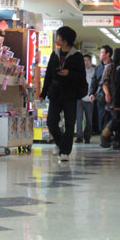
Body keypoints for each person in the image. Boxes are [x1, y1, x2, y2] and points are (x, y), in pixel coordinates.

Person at [40, 26, 87, 161]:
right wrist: (43, 93)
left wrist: (69, 73)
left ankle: (65, 152)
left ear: (65, 40)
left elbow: (81, 76)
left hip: (70, 94)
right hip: (55, 93)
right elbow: (48, 74)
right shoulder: (54, 54)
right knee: (51, 122)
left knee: (70, 123)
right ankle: (60, 144)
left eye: (59, 36)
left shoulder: (77, 56)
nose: (57, 39)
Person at [99, 48, 120, 148]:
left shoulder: (116, 67)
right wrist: (107, 94)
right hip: (112, 98)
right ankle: (105, 136)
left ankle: (110, 139)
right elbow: (104, 82)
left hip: (114, 98)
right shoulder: (110, 66)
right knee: (115, 118)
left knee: (113, 118)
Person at [89, 45, 113, 133]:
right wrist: (91, 93)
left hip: (112, 97)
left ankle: (110, 134)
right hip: (101, 97)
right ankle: (104, 134)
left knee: (112, 116)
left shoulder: (114, 66)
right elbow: (94, 80)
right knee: (101, 116)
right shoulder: (99, 68)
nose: (100, 54)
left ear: (108, 54)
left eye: (102, 52)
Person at [75, 55, 95, 144]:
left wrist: (94, 95)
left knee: (89, 120)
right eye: (84, 60)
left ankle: (87, 137)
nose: (86, 62)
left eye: (87, 60)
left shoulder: (94, 72)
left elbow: (95, 85)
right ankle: (79, 137)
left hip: (89, 100)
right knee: (79, 119)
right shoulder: (78, 71)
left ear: (90, 61)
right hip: (79, 99)